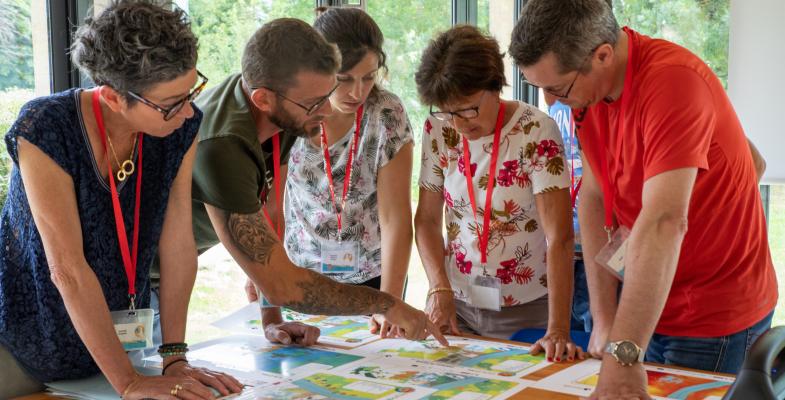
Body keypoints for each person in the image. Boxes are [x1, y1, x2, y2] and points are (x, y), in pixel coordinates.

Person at [510, 0, 777, 398]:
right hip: (648, 298)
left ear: (602, 55)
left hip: (711, 313)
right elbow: (594, 197)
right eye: (540, 88)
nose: (550, 102)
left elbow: (664, 222)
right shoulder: (591, 94)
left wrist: (623, 353)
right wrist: (604, 318)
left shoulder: (673, 83)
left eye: (557, 88)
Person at [0, 1, 242, 398]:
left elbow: (178, 243)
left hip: (117, 346)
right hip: (27, 341)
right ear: (113, 97)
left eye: (191, 92)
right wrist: (129, 383)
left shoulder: (179, 128)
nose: (187, 113)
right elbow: (67, 270)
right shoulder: (44, 128)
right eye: (171, 104)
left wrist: (175, 357)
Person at [188, 18, 446, 347]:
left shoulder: (277, 104)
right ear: (265, 99)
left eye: (368, 77)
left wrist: (272, 319)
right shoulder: (228, 142)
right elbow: (279, 272)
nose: (326, 110)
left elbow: (271, 216)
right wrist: (388, 304)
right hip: (150, 273)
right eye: (317, 100)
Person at [414, 25, 581, 362]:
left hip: (528, 308)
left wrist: (558, 329)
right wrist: (438, 286)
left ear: (495, 85)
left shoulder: (535, 131)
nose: (459, 124)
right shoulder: (438, 129)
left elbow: (559, 237)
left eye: (468, 109)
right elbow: (427, 220)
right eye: (447, 111)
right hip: (457, 303)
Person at [267, 7, 414, 339]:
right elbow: (271, 206)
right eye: (344, 79)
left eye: (369, 77)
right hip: (299, 276)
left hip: (372, 279)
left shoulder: (386, 113)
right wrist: (263, 277)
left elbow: (396, 219)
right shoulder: (292, 111)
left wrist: (389, 302)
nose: (357, 92)